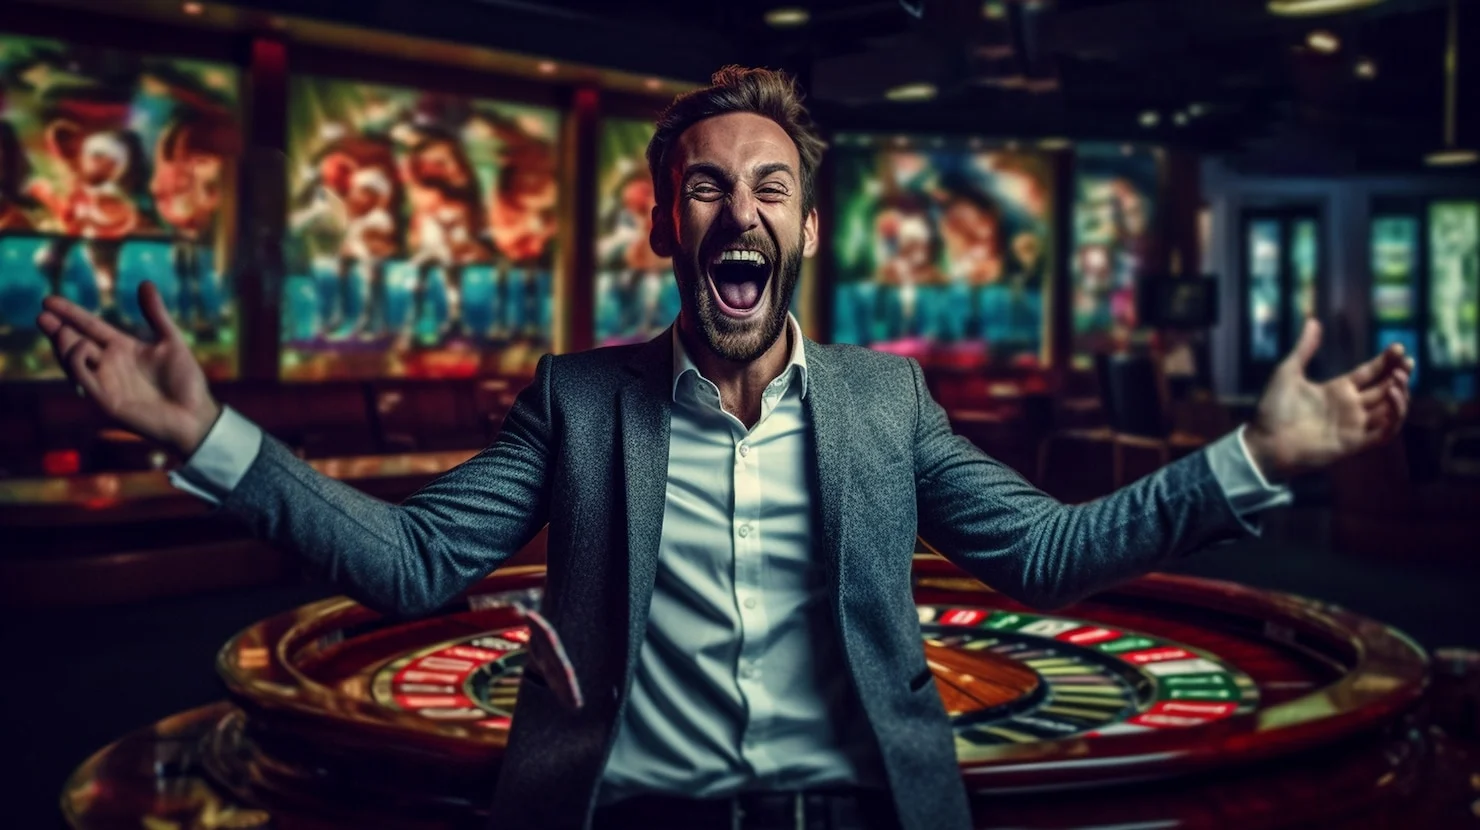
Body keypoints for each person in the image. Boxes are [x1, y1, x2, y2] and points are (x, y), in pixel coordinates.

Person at [36, 66, 1412, 830]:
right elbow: (409, 563)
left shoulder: (889, 399)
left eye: (770, 187)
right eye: (706, 186)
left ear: (806, 229)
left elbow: (1047, 550)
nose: (737, 210)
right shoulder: (578, 400)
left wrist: (1259, 455)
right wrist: (206, 433)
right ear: (663, 227)